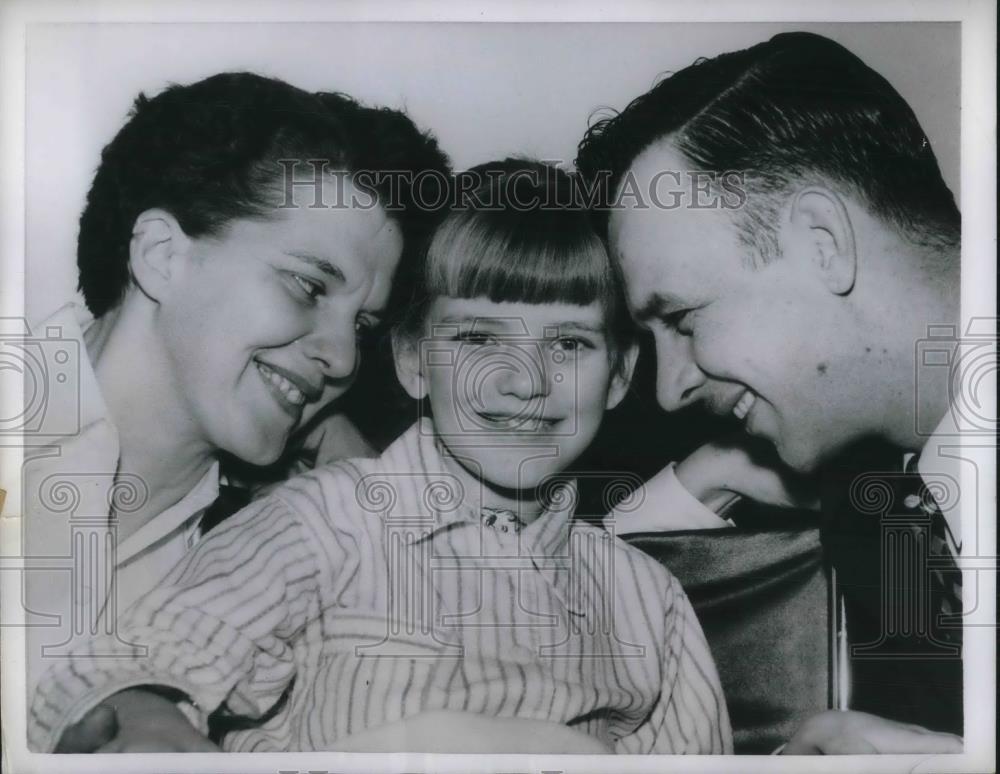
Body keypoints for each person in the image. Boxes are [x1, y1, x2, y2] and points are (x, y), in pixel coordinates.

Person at [29, 160, 733, 754]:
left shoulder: (648, 599)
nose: (525, 381)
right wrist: (145, 712)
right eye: (480, 339)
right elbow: (139, 657)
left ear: (619, 376)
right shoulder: (323, 522)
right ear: (411, 360)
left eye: (571, 344)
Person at [20, 71, 450, 739]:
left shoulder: (275, 550)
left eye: (363, 327)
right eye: (308, 286)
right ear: (162, 256)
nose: (342, 358)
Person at [575, 31, 966, 753]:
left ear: (823, 242)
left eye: (683, 318)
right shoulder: (884, 509)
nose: (669, 389)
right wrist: (710, 474)